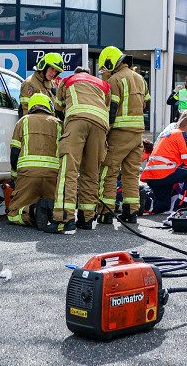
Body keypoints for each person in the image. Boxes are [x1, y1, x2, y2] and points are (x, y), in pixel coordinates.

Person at [51, 66, 110, 232]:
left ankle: (64, 218)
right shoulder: (102, 84)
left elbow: (59, 107)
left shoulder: (68, 80)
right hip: (100, 126)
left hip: (77, 121)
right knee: (91, 173)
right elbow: (107, 107)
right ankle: (86, 218)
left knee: (68, 170)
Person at [97, 46, 151, 224]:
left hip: (119, 133)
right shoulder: (141, 79)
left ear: (110, 63)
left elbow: (111, 110)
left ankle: (106, 213)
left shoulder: (115, 80)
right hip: (137, 135)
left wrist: (106, 130)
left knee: (109, 171)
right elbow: (147, 105)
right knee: (131, 174)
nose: (105, 72)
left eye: (105, 68)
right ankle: (131, 212)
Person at [6, 93, 61, 227]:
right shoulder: (59, 124)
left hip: (28, 176)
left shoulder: (23, 121)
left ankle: (33, 211)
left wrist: (15, 178)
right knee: (53, 204)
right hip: (53, 177)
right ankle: (53, 211)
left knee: (13, 214)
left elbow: (14, 153)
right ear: (49, 107)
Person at [142, 111, 187, 213]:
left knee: (163, 206)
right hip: (163, 173)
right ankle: (183, 205)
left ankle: (145, 202)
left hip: (152, 175)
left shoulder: (168, 134)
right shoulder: (181, 134)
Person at [20, 52, 63, 117]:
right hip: (36, 123)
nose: (53, 73)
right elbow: (25, 109)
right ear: (44, 66)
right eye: (52, 69)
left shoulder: (52, 83)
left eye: (56, 71)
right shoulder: (29, 83)